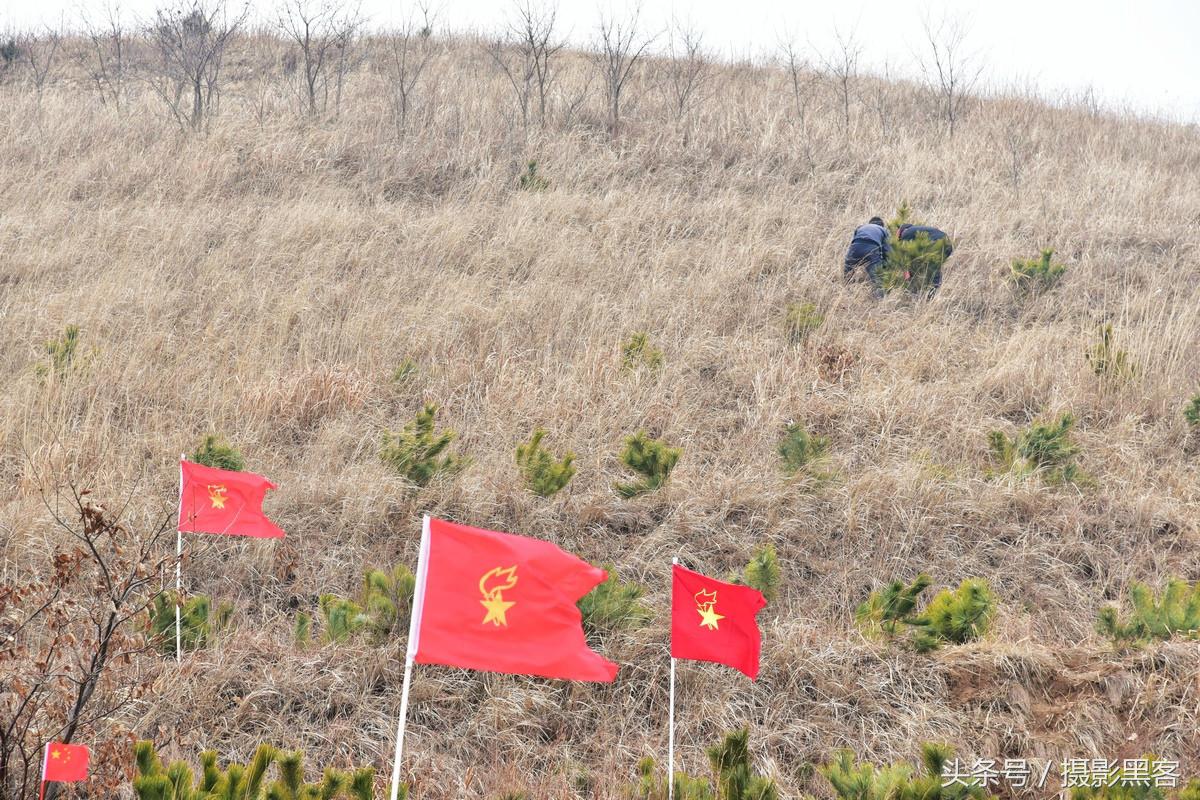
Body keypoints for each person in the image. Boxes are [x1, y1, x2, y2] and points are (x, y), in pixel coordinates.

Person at [897, 223, 954, 292]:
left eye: (900, 236)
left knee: (933, 269)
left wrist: (906, 271)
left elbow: (904, 254)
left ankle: (932, 294)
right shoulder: (921, 230)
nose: (901, 238)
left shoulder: (907, 232)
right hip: (948, 245)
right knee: (933, 268)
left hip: (936, 243)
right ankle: (934, 291)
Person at [843, 216, 890, 292]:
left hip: (855, 246)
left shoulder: (861, 227)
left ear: (870, 223)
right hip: (872, 247)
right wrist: (885, 265)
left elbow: (854, 240)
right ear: (882, 225)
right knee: (877, 277)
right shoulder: (883, 230)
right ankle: (879, 300)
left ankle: (846, 291)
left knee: (848, 270)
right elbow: (887, 251)